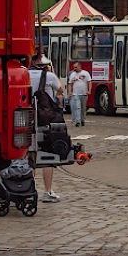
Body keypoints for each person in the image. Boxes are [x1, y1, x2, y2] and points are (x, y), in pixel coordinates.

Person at [28, 54, 64, 203]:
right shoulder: (49, 76)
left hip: (28, 118)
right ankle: (47, 191)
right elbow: (60, 90)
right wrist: (51, 72)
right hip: (45, 119)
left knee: (29, 156)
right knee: (47, 156)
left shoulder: (25, 73)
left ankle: (29, 189)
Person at [68, 62, 92, 127]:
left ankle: (82, 120)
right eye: (74, 67)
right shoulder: (72, 74)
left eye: (76, 67)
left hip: (84, 93)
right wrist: (70, 92)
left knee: (83, 108)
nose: (74, 69)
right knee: (77, 107)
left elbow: (89, 82)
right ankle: (78, 121)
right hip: (76, 93)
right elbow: (70, 84)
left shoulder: (85, 73)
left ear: (79, 66)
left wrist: (89, 91)